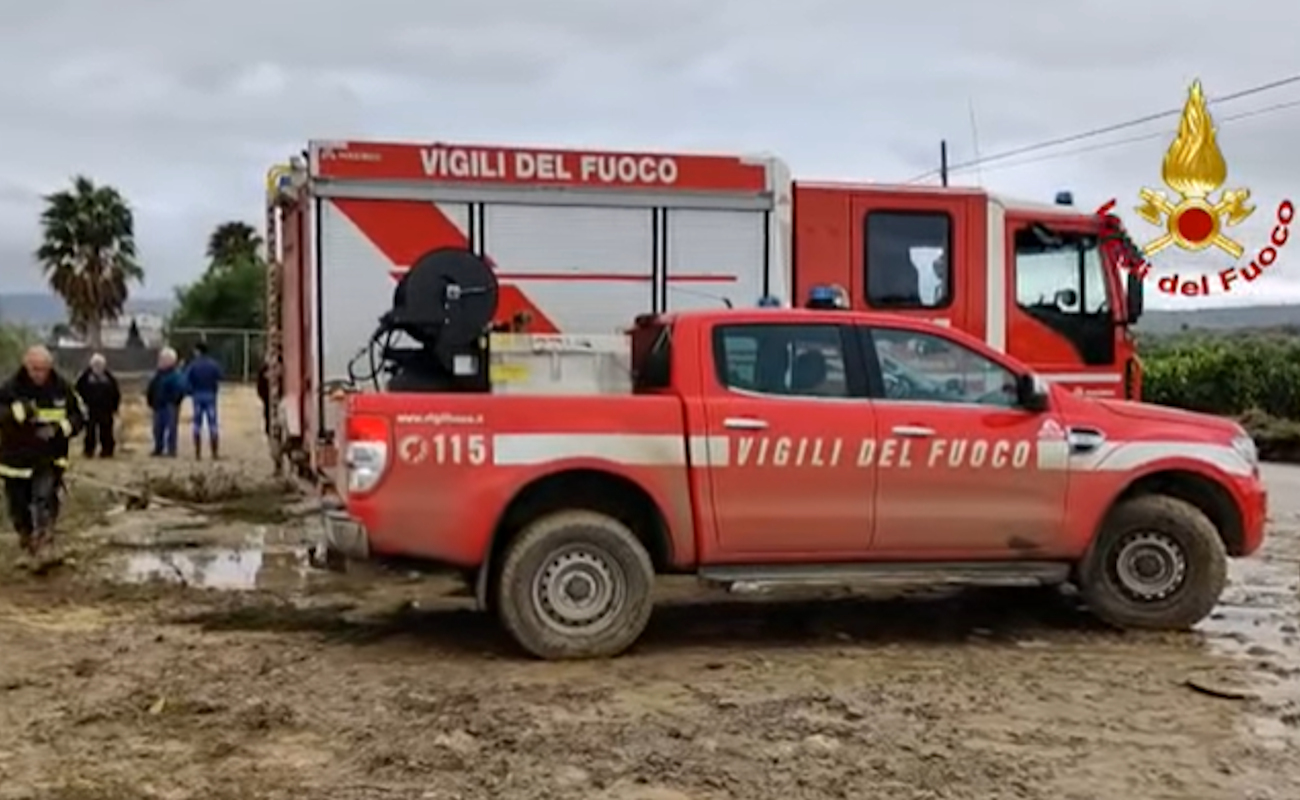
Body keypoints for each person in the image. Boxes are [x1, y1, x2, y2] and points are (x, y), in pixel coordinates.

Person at [0, 345, 86, 563]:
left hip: (49, 457)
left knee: (44, 498)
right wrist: (16, 413)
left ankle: (45, 544)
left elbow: (79, 417)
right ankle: (27, 540)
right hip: (15, 460)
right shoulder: (10, 387)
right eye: (35, 369)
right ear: (26, 365)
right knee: (18, 505)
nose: (40, 374)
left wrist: (59, 430)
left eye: (44, 369)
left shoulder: (61, 388)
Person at [74, 353, 121, 458]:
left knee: (106, 431)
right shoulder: (84, 378)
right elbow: (77, 392)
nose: (98, 366)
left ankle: (107, 451)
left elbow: (116, 393)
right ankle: (89, 451)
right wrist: (80, 407)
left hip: (106, 410)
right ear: (91, 365)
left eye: (100, 364)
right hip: (89, 409)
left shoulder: (109, 378)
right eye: (96, 364)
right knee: (90, 432)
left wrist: (115, 407)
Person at [185, 342, 222, 459]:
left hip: (197, 395)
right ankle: (214, 452)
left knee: (197, 423)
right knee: (213, 424)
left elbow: (187, 379)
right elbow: (220, 376)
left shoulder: (193, 365)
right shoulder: (214, 364)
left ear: (198, 351)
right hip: (210, 395)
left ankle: (198, 453)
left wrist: (190, 391)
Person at [146, 348, 186, 457]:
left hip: (170, 405)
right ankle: (158, 448)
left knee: (171, 428)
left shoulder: (176, 375)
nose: (159, 361)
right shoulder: (158, 375)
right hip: (158, 405)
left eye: (162, 359)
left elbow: (180, 389)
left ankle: (171, 450)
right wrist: (150, 400)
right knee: (157, 429)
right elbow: (151, 388)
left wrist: (174, 400)